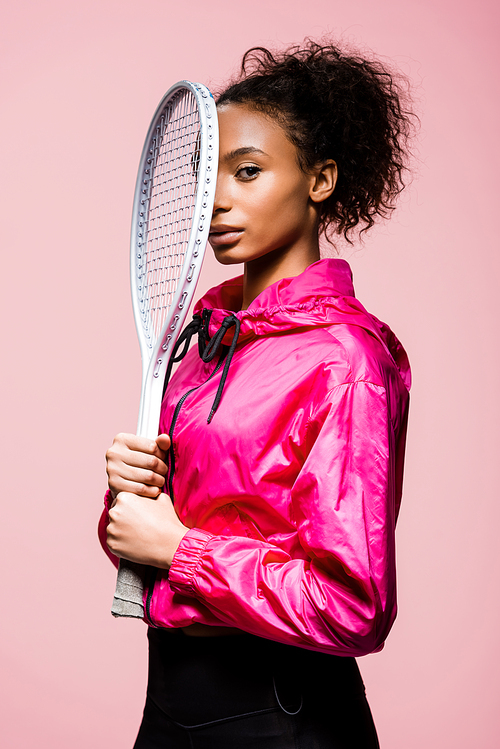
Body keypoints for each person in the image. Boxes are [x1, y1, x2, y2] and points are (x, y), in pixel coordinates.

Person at [99, 40, 413, 748]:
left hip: (282, 721)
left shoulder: (345, 359)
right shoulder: (204, 342)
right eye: (209, 173)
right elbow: (150, 551)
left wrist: (180, 547)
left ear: (321, 178)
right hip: (170, 715)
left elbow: (352, 607)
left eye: (247, 172)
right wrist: (129, 497)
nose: (218, 199)